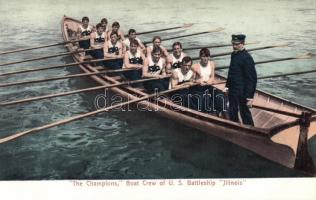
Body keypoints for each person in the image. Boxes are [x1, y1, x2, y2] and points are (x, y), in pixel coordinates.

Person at [224, 34, 257, 126]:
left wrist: (250, 98)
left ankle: (251, 131)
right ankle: (235, 128)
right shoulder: (233, 54)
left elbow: (252, 79)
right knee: (232, 111)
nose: (234, 46)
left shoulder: (247, 58)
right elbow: (231, 72)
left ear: (243, 43)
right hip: (233, 90)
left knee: (245, 113)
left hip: (243, 92)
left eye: (236, 44)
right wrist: (227, 86)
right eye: (233, 44)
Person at [190, 48, 226, 114]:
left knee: (220, 95)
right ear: (200, 57)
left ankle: (222, 112)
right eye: (203, 56)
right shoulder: (195, 66)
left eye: (207, 56)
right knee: (205, 99)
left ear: (209, 57)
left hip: (209, 86)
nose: (205, 58)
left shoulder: (212, 64)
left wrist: (209, 81)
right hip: (199, 88)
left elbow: (212, 77)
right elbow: (191, 80)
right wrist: (198, 81)